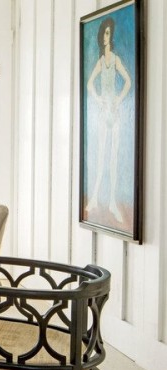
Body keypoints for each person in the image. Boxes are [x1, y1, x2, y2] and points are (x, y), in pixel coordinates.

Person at [85, 17, 132, 222]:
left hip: (115, 112)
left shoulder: (114, 59)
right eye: (104, 33)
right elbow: (89, 85)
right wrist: (99, 100)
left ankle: (112, 201)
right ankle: (94, 198)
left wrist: (118, 100)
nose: (106, 37)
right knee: (101, 156)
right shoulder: (100, 62)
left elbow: (128, 82)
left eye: (108, 34)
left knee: (113, 159)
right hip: (105, 111)